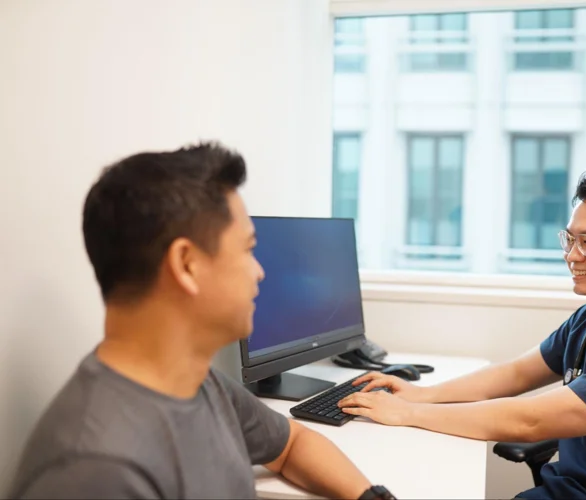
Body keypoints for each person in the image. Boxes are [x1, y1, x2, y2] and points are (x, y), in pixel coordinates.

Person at [9, 143, 394, 500]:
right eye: (248, 249)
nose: (259, 272)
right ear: (186, 265)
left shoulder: (198, 383)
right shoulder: (95, 469)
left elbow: (292, 443)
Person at [338, 168, 586, 499]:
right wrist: (422, 394)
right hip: (580, 489)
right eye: (570, 239)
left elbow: (529, 422)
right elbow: (514, 374)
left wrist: (409, 414)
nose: (572, 255)